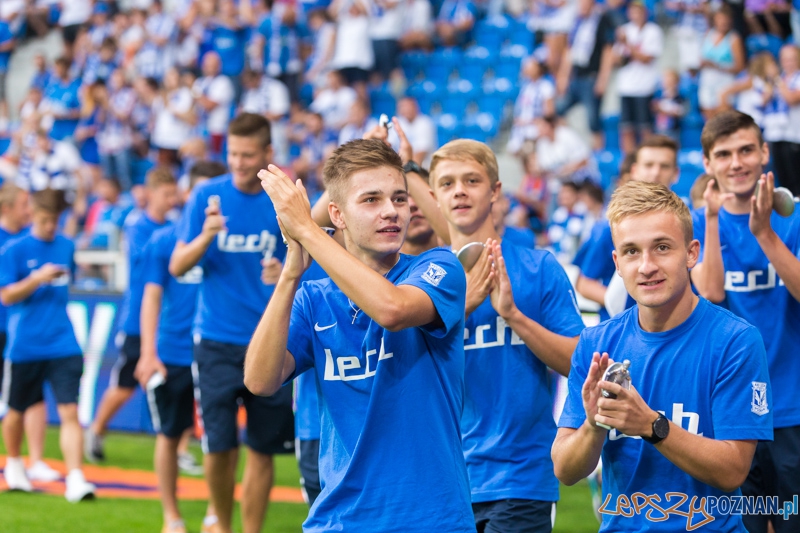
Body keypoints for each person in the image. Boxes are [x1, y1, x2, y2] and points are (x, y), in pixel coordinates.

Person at [246, 138, 474, 532]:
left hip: (430, 520)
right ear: (338, 214)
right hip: (338, 520)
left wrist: (308, 230)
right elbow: (260, 381)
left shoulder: (439, 268)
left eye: (399, 199)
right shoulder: (313, 298)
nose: (392, 212)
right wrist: (290, 275)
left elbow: (392, 310)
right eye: (371, 200)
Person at [552, 180, 773, 531]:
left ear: (691, 253)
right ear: (617, 263)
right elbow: (565, 469)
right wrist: (593, 426)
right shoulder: (596, 343)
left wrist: (651, 426)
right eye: (631, 252)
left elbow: (733, 470)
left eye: (662, 247)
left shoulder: (736, 341)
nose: (646, 266)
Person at [428, 139, 584, 532]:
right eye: (447, 184)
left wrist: (513, 316)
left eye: (471, 180)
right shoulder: (420, 280)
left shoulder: (538, 267)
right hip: (441, 480)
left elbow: (579, 362)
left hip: (521, 478)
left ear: (495, 191)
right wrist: (456, 308)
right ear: (433, 196)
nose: (459, 190)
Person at [169, 113, 294, 533]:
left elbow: (312, 261)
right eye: (233, 154)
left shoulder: (284, 198)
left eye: (248, 155)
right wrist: (206, 235)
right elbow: (177, 265)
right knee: (219, 447)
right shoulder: (206, 194)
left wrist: (286, 270)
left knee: (261, 449)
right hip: (217, 342)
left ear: (267, 153)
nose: (239, 162)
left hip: (271, 340)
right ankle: (221, 523)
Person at [691, 110, 800, 532]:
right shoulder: (697, 225)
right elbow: (712, 292)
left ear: (764, 153)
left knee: (791, 520)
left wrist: (765, 234)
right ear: (708, 164)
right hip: (732, 412)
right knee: (748, 525)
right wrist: (714, 219)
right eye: (723, 154)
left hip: (791, 405)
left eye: (745, 150)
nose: (736, 163)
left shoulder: (793, 218)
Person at [0, 189, 97, 502]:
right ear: (32, 215)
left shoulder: (66, 245)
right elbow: (7, 296)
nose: (50, 226)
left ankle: (76, 477)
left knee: (70, 410)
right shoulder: (14, 249)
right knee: (15, 411)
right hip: (25, 344)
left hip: (63, 342)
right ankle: (14, 462)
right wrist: (37, 278)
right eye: (44, 220)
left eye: (54, 220)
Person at [135, 165, 210, 533]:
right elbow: (150, 297)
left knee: (218, 439)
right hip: (174, 352)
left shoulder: (231, 239)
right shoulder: (164, 240)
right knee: (169, 434)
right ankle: (171, 516)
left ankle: (216, 512)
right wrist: (148, 352)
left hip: (218, 352)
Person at [86, 168, 180, 462]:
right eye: (166, 193)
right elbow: (152, 260)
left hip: (167, 320)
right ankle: (97, 429)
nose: (172, 199)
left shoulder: (171, 228)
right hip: (138, 319)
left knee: (179, 384)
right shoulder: (139, 226)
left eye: (173, 193)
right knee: (126, 384)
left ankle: (175, 447)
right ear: (150, 194)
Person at [575, 135, 680, 320]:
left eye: (664, 166)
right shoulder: (611, 225)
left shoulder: (686, 223)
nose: (656, 173)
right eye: (648, 165)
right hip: (620, 331)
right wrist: (633, 303)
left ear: (676, 173)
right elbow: (584, 283)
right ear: (634, 170)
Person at [0, 184, 61, 483]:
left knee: (32, 397)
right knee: (14, 401)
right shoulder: (12, 245)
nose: (30, 210)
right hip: (8, 328)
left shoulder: (29, 240)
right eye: (25, 204)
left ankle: (34, 460)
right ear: (8, 208)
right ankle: (15, 462)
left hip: (20, 332)